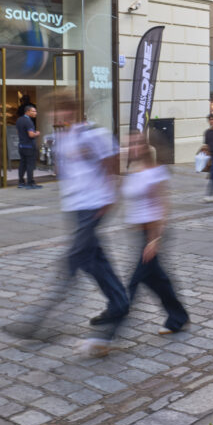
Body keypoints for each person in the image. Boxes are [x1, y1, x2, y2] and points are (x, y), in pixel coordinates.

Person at [51, 94, 129, 356]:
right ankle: (118, 302)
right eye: (56, 111)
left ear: (73, 110)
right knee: (92, 260)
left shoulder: (93, 133)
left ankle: (46, 315)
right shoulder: (64, 138)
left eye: (62, 109)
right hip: (75, 206)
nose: (58, 115)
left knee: (76, 258)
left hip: (93, 204)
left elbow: (112, 159)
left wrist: (111, 195)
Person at [122, 132, 189, 334]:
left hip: (153, 234)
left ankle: (108, 332)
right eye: (128, 144)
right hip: (141, 234)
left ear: (144, 147)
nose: (130, 148)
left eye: (134, 144)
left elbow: (162, 207)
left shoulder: (156, 171)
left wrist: (154, 240)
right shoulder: (134, 170)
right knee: (157, 280)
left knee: (133, 283)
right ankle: (178, 317)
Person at [16, 105, 41, 189]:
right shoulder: (28, 121)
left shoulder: (19, 120)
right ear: (27, 111)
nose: (35, 113)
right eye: (33, 111)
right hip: (29, 146)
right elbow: (31, 135)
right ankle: (30, 183)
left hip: (21, 145)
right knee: (30, 164)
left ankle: (21, 182)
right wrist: (37, 133)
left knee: (22, 164)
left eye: (35, 111)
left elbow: (18, 132)